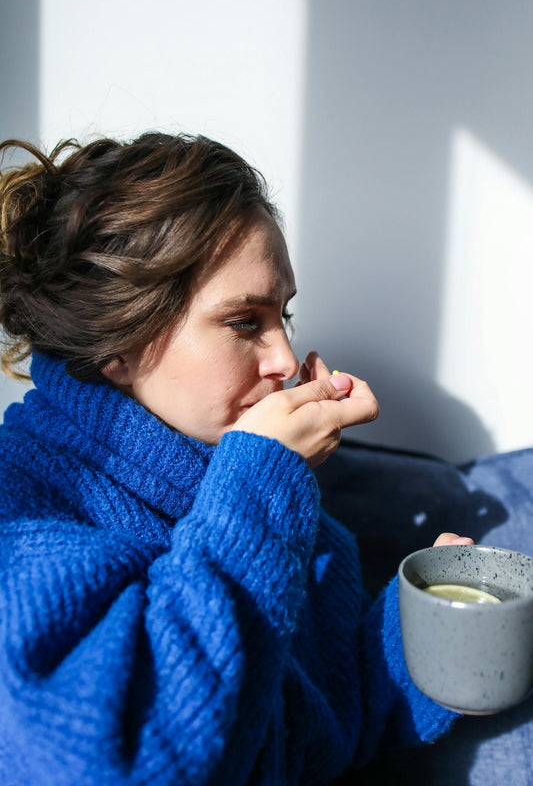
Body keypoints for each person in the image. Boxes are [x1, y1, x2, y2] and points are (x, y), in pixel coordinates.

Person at [0, 131, 473, 786]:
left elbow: (325, 730)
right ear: (118, 341)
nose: (283, 360)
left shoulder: (266, 503)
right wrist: (260, 482)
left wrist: (415, 626)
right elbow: (121, 761)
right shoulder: (22, 505)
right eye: (244, 322)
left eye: (284, 316)